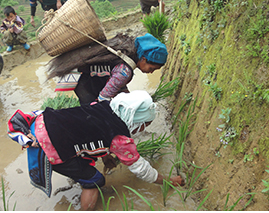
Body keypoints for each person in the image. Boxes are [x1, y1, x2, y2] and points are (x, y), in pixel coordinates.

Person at [7, 90, 184, 210]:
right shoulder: (121, 138)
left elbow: (91, 130)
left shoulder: (105, 105)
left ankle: (79, 177)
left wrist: (106, 157)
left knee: (82, 165)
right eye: (144, 125)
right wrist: (169, 181)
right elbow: (141, 169)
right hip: (50, 147)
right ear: (136, 120)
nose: (143, 130)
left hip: (40, 125)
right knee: (95, 180)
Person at [47, 33, 168, 105]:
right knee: (93, 110)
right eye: (151, 68)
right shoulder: (124, 72)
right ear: (143, 59)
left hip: (89, 72)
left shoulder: (128, 49)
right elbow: (103, 98)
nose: (150, 72)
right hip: (84, 78)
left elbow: (116, 83)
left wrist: (128, 97)